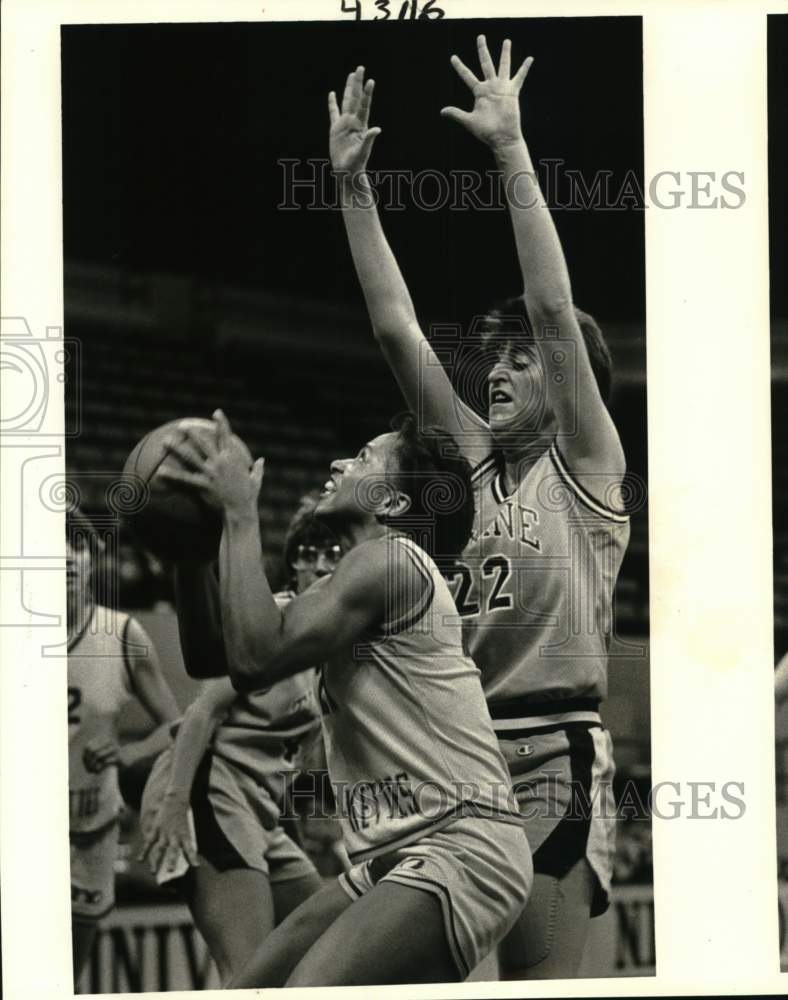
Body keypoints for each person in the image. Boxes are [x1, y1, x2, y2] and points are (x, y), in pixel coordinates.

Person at [330, 44, 631, 978]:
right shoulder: (471, 460)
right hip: (457, 756)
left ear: (570, 384)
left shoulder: (587, 464)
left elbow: (553, 307)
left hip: (553, 754)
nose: (496, 371)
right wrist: (349, 188)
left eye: (519, 360)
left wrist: (510, 152)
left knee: (534, 989)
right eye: (490, 359)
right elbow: (394, 328)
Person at [160, 409, 531, 986]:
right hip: (393, 855)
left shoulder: (393, 563)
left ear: (396, 503)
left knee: (307, 993)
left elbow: (256, 658)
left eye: (363, 458)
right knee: (249, 989)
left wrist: (239, 513)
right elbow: (215, 658)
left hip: (465, 842)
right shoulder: (344, 591)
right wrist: (189, 554)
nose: (339, 462)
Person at [138, 496, 338, 984]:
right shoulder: (270, 622)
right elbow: (202, 712)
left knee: (329, 935)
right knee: (247, 972)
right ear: (292, 563)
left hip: (258, 812)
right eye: (306, 554)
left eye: (331, 552)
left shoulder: (333, 638)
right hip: (209, 793)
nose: (318, 564)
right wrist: (173, 803)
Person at [67, 502, 180, 978]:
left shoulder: (123, 634)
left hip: (90, 834)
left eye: (77, 546)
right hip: (23, 837)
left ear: (93, 558)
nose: (68, 558)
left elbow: (179, 725)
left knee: (67, 974)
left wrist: (130, 751)